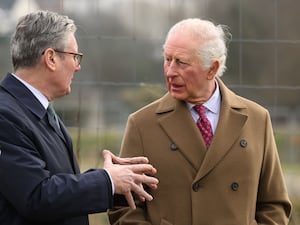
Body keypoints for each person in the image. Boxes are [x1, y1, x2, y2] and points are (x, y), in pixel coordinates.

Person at [108, 18, 292, 225]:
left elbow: (274, 205)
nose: (170, 72)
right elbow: (124, 207)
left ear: (212, 68)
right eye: (168, 59)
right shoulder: (142, 124)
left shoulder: (257, 119)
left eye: (181, 62)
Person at [0, 10, 158, 225]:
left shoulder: (36, 110)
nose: (78, 66)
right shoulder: (5, 115)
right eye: (75, 56)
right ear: (51, 58)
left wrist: (119, 180)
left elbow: (53, 183)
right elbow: (36, 196)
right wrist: (107, 181)